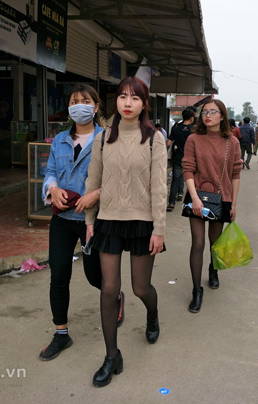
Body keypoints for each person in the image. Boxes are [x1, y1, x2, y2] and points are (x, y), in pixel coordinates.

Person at [85, 77, 167, 387]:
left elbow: (159, 188)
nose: (127, 103)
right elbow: (93, 181)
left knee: (140, 288)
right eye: (122, 97)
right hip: (109, 220)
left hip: (142, 222)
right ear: (116, 102)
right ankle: (111, 355)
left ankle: (152, 314)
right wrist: (90, 221)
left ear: (145, 104)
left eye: (134, 98)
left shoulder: (154, 138)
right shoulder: (103, 138)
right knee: (109, 290)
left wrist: (159, 229)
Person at [39, 84, 124, 361]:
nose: (79, 105)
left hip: (93, 219)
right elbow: (50, 171)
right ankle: (61, 334)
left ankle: (116, 294)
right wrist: (51, 189)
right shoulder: (60, 139)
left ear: (96, 107)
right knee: (59, 274)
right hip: (62, 219)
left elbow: (117, 178)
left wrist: (95, 195)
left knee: (93, 276)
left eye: (85, 101)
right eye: (74, 101)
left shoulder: (108, 139)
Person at [181, 99, 242, 312]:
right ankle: (197, 290)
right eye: (205, 112)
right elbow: (187, 169)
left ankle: (213, 269)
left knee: (215, 243)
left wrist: (233, 203)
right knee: (198, 244)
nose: (208, 115)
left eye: (213, 112)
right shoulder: (193, 139)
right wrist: (194, 197)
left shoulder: (232, 142)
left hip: (222, 199)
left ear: (222, 116)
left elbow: (235, 174)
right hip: (198, 198)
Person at [167, 108, 195, 211]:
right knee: (189, 178)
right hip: (190, 159)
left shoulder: (175, 128)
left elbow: (168, 143)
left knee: (176, 178)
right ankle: (185, 197)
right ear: (192, 118)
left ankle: (171, 202)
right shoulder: (194, 129)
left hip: (178, 157)